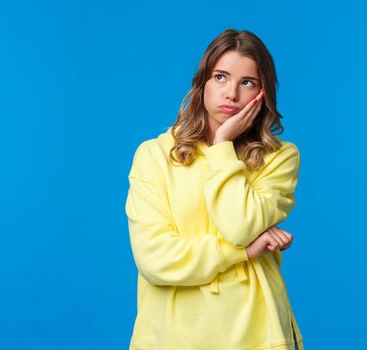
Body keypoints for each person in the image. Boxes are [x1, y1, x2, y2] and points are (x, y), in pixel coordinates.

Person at [125, 28, 303, 350]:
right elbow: (155, 258)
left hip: (257, 333)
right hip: (171, 336)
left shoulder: (279, 158)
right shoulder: (153, 155)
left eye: (247, 82)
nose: (231, 94)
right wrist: (242, 252)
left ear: (262, 94)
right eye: (220, 77)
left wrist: (222, 145)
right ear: (202, 82)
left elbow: (239, 226)